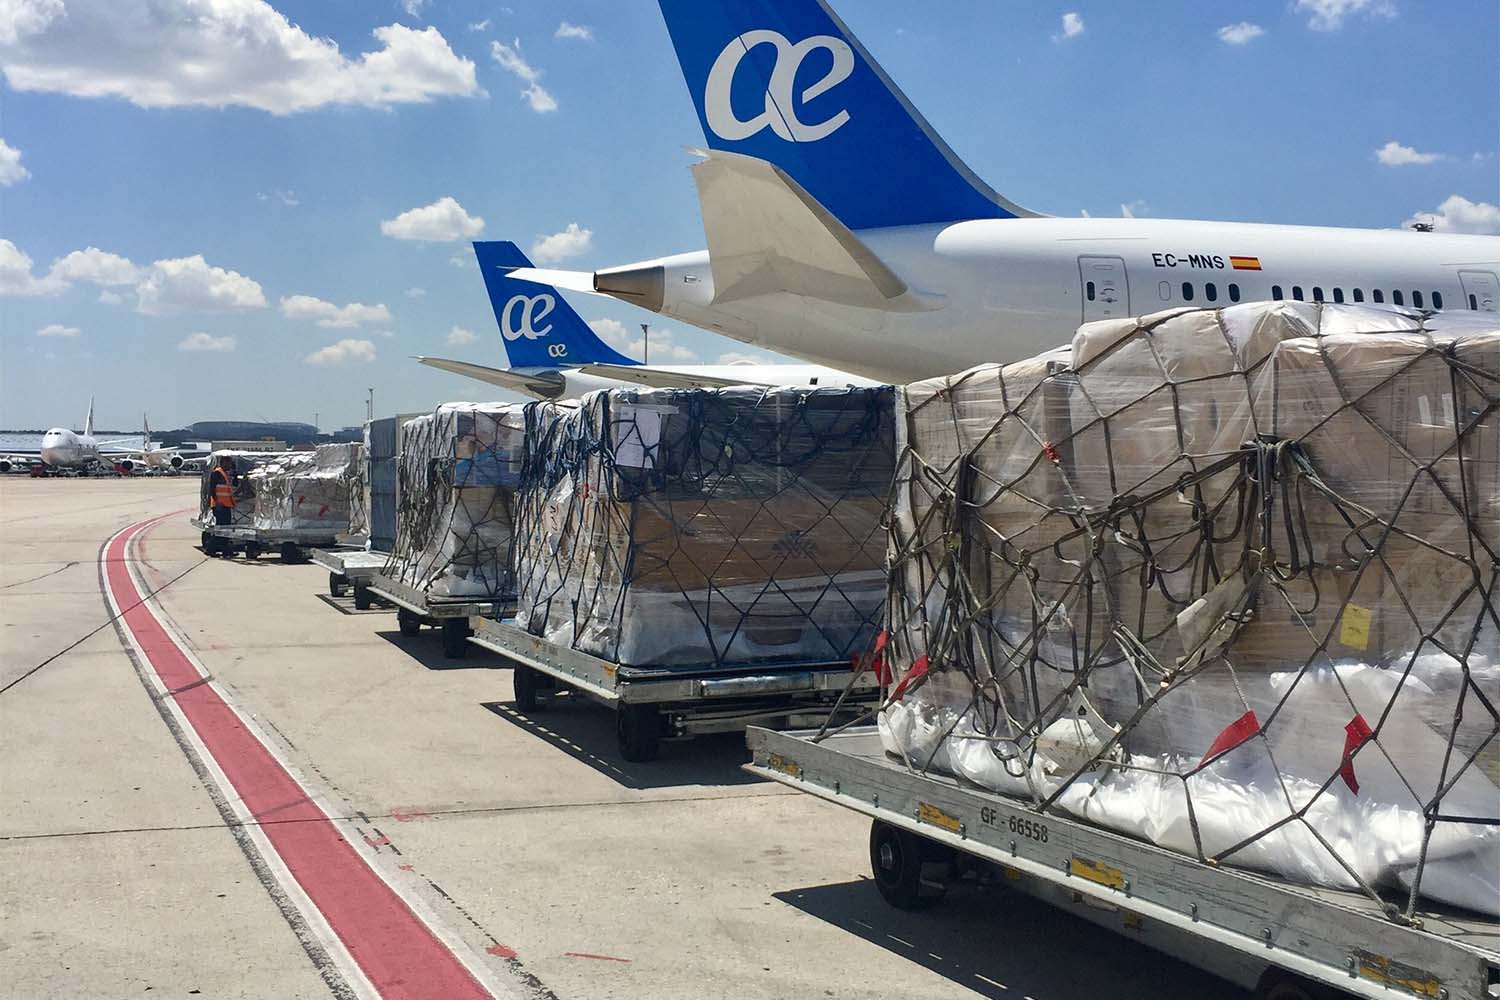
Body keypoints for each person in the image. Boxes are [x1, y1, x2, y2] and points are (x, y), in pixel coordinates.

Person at [209, 456, 237, 528]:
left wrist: (235, 473)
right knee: (221, 525)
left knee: (226, 525)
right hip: (219, 505)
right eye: (227, 463)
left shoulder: (226, 474)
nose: (229, 465)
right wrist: (217, 502)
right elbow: (212, 489)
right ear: (222, 463)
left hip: (226, 505)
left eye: (230, 464)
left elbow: (235, 484)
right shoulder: (217, 473)